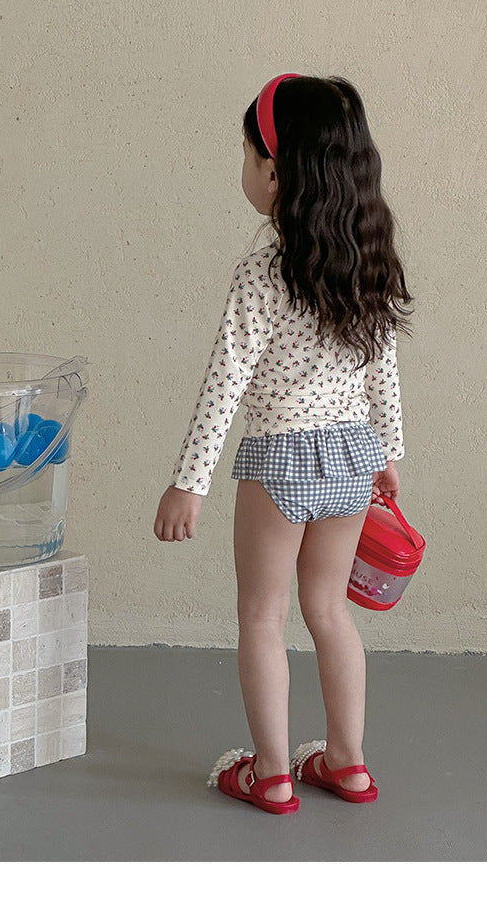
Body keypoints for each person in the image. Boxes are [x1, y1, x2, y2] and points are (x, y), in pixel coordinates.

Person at [153, 73, 414, 815]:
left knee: (263, 617)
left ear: (276, 173)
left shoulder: (263, 276)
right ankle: (347, 763)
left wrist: (189, 482)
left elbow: (225, 383)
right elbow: (383, 367)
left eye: (247, 153)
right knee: (329, 611)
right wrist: (388, 453)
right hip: (353, 459)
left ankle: (270, 773)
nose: (243, 167)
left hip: (281, 461)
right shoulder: (367, 260)